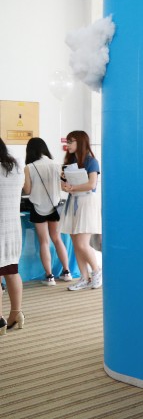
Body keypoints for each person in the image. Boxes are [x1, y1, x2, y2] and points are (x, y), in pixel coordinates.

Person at [22, 137, 72, 285]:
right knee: (57, 239)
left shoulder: (29, 167)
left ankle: (49, 277)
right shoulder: (57, 165)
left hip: (38, 207)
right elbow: (64, 186)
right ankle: (67, 272)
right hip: (54, 207)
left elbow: (27, 190)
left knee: (44, 241)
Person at [60, 131, 102, 291]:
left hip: (86, 202)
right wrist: (65, 186)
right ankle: (84, 277)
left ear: (80, 142)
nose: (68, 145)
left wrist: (73, 187)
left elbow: (92, 184)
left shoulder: (91, 161)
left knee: (82, 243)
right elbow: (63, 184)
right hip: (73, 202)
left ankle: (97, 271)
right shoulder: (69, 161)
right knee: (76, 244)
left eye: (71, 141)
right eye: (67, 141)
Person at [0, 137, 25, 334]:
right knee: (12, 271)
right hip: (12, 230)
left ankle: (0, 321)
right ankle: (16, 313)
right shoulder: (16, 168)